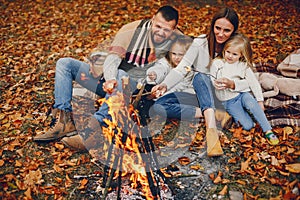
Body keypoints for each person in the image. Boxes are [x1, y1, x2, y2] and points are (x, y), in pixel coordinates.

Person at [33, 5, 182, 151]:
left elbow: (184, 70)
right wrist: (110, 79)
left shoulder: (179, 42)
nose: (160, 32)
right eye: (158, 26)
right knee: (65, 64)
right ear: (152, 19)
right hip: (112, 84)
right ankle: (64, 120)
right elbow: (113, 59)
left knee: (122, 75)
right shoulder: (132, 30)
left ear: (174, 29)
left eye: (166, 30)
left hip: (137, 95)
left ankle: (97, 130)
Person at [151, 7, 245, 157]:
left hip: (221, 95)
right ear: (212, 26)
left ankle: (211, 132)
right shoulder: (200, 43)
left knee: (200, 76)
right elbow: (182, 68)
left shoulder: (237, 47)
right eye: (217, 28)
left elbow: (245, 76)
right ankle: (215, 115)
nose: (220, 34)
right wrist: (165, 85)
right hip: (199, 96)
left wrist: (231, 82)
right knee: (159, 105)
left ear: (234, 31)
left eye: (226, 30)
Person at [210, 33, 279, 145]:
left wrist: (260, 100)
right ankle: (246, 116)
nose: (230, 56)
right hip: (228, 101)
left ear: (241, 55)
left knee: (252, 103)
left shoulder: (243, 66)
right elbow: (211, 79)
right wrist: (215, 84)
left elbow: (254, 83)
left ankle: (268, 130)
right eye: (228, 52)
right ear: (224, 50)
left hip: (242, 95)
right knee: (248, 126)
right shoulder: (217, 64)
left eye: (234, 54)